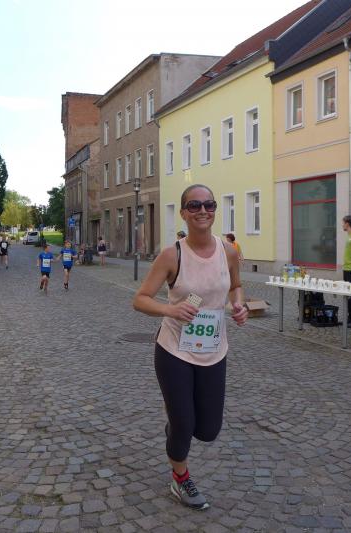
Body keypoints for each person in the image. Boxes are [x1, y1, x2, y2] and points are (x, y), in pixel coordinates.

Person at [133, 184, 248, 511]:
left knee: (208, 430)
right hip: (174, 350)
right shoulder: (173, 254)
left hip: (214, 349)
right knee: (185, 425)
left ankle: (175, 424)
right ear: (183, 213)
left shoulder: (228, 251)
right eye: (194, 206)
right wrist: (170, 309)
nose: (202, 211)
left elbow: (236, 286)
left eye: (209, 205)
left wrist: (239, 305)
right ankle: (180, 477)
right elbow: (140, 299)